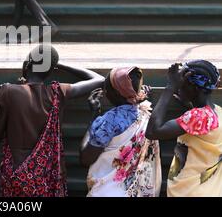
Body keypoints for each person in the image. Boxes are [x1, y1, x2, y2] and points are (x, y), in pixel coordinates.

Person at [0, 44, 104, 196]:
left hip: (15, 177)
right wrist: (58, 65)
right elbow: (99, 79)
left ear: (26, 65)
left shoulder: (9, 92)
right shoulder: (58, 93)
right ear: (51, 71)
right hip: (48, 179)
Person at [80, 67, 161, 197]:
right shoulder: (145, 113)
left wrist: (94, 118)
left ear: (112, 94)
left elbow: (86, 158)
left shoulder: (108, 122)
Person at [146, 60, 222, 197]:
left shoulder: (196, 116)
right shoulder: (217, 113)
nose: (179, 87)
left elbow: (152, 131)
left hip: (189, 192)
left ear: (194, 87)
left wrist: (170, 87)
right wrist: (190, 103)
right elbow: (202, 125)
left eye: (182, 84)